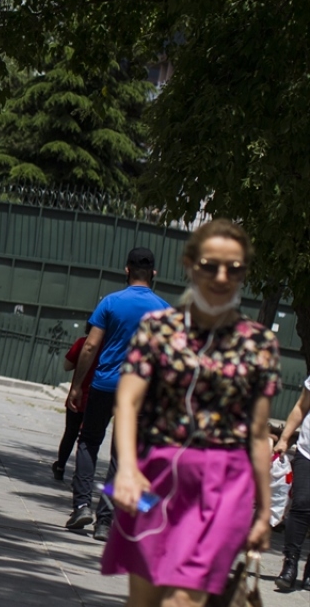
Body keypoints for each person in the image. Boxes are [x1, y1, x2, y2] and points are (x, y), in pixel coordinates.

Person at [102, 220, 280, 605]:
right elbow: (128, 401)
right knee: (144, 598)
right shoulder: (158, 330)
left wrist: (265, 511)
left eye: (234, 269)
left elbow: (259, 430)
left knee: (183, 600)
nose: (221, 277)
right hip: (157, 477)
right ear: (190, 265)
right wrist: (129, 470)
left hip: (224, 485)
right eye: (210, 265)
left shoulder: (260, 343)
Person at [64, 247, 170, 541]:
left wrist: (76, 385)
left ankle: (82, 505)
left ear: (126, 270)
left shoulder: (110, 302)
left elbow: (89, 346)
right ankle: (104, 522)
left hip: (105, 385)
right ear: (153, 274)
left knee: (88, 442)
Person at [274, 375, 310, 590]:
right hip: (308, 452)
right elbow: (300, 407)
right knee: (301, 504)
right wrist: (284, 438)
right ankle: (290, 564)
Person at [52, 324, 101, 481]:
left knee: (70, 433)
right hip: (98, 397)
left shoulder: (82, 343)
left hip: (78, 395)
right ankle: (80, 475)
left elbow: (67, 366)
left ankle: (60, 466)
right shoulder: (109, 347)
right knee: (88, 439)